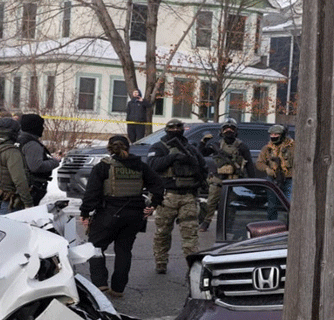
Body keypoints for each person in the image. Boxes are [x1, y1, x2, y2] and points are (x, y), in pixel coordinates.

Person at [79, 135, 163, 298]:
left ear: (109, 148)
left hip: (108, 214)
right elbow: (158, 185)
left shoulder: (103, 167)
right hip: (134, 216)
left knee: (96, 247)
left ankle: (100, 283)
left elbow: (92, 193)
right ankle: (118, 288)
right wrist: (153, 204)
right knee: (124, 251)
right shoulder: (140, 166)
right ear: (128, 148)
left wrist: (85, 213)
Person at [147, 118, 207, 274]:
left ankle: (193, 266)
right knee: (163, 232)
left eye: (178, 128)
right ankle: (161, 262)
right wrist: (173, 157)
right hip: (167, 196)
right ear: (167, 130)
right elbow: (153, 165)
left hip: (188, 196)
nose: (175, 131)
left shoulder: (191, 149)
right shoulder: (159, 147)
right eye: (172, 129)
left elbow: (202, 168)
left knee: (190, 233)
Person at [197, 118, 256, 231]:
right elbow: (201, 153)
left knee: (231, 206)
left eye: (231, 128)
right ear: (221, 131)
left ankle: (228, 226)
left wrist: (252, 181)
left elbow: (249, 165)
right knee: (210, 204)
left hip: (234, 182)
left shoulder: (241, 146)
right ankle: (205, 223)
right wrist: (203, 142)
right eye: (226, 129)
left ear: (236, 131)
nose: (228, 131)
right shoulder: (217, 145)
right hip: (218, 180)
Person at [17, 113, 61, 206]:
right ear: (35, 127)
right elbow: (36, 166)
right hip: (31, 186)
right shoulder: (31, 144)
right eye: (41, 126)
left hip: (21, 185)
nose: (43, 129)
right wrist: (55, 161)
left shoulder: (19, 139)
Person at [256, 124, 295, 200]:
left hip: (289, 179)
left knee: (289, 203)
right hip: (273, 179)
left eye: (276, 134)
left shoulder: (293, 147)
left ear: (282, 135)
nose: (273, 136)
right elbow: (259, 163)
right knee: (271, 205)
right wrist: (267, 169)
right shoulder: (267, 148)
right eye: (271, 134)